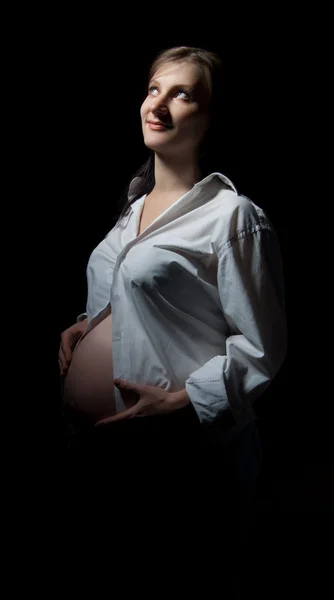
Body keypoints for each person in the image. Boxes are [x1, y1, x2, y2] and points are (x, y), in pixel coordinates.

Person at [57, 46, 287, 580]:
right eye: (154, 89)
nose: (157, 104)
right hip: (103, 458)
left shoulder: (233, 217)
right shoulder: (134, 207)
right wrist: (85, 328)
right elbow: (139, 298)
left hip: (183, 458)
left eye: (182, 94)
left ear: (211, 117)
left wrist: (182, 402)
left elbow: (261, 346)